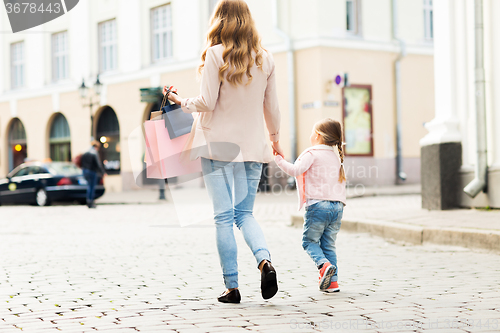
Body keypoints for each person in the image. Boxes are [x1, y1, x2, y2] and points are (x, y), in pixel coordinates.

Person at [163, 0, 283, 303]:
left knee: (223, 217)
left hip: (216, 145)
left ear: (219, 21)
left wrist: (179, 101)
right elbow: (273, 108)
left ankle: (232, 288)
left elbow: (206, 102)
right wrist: (275, 140)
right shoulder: (265, 59)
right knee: (245, 214)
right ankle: (264, 261)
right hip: (255, 146)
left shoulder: (216, 55)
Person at [274, 118, 347, 292]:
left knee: (309, 242)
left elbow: (294, 170)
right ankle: (332, 283)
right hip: (338, 207)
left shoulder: (312, 153)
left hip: (318, 206)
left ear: (318, 135)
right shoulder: (336, 156)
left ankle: (323, 266)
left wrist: (278, 159)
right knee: (328, 245)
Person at [81, 140, 106, 208]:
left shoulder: (85, 152)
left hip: (85, 171)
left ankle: (88, 201)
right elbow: (98, 164)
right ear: (96, 146)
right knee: (91, 187)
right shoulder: (94, 152)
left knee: (89, 186)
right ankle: (90, 201)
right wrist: (102, 172)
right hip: (92, 171)